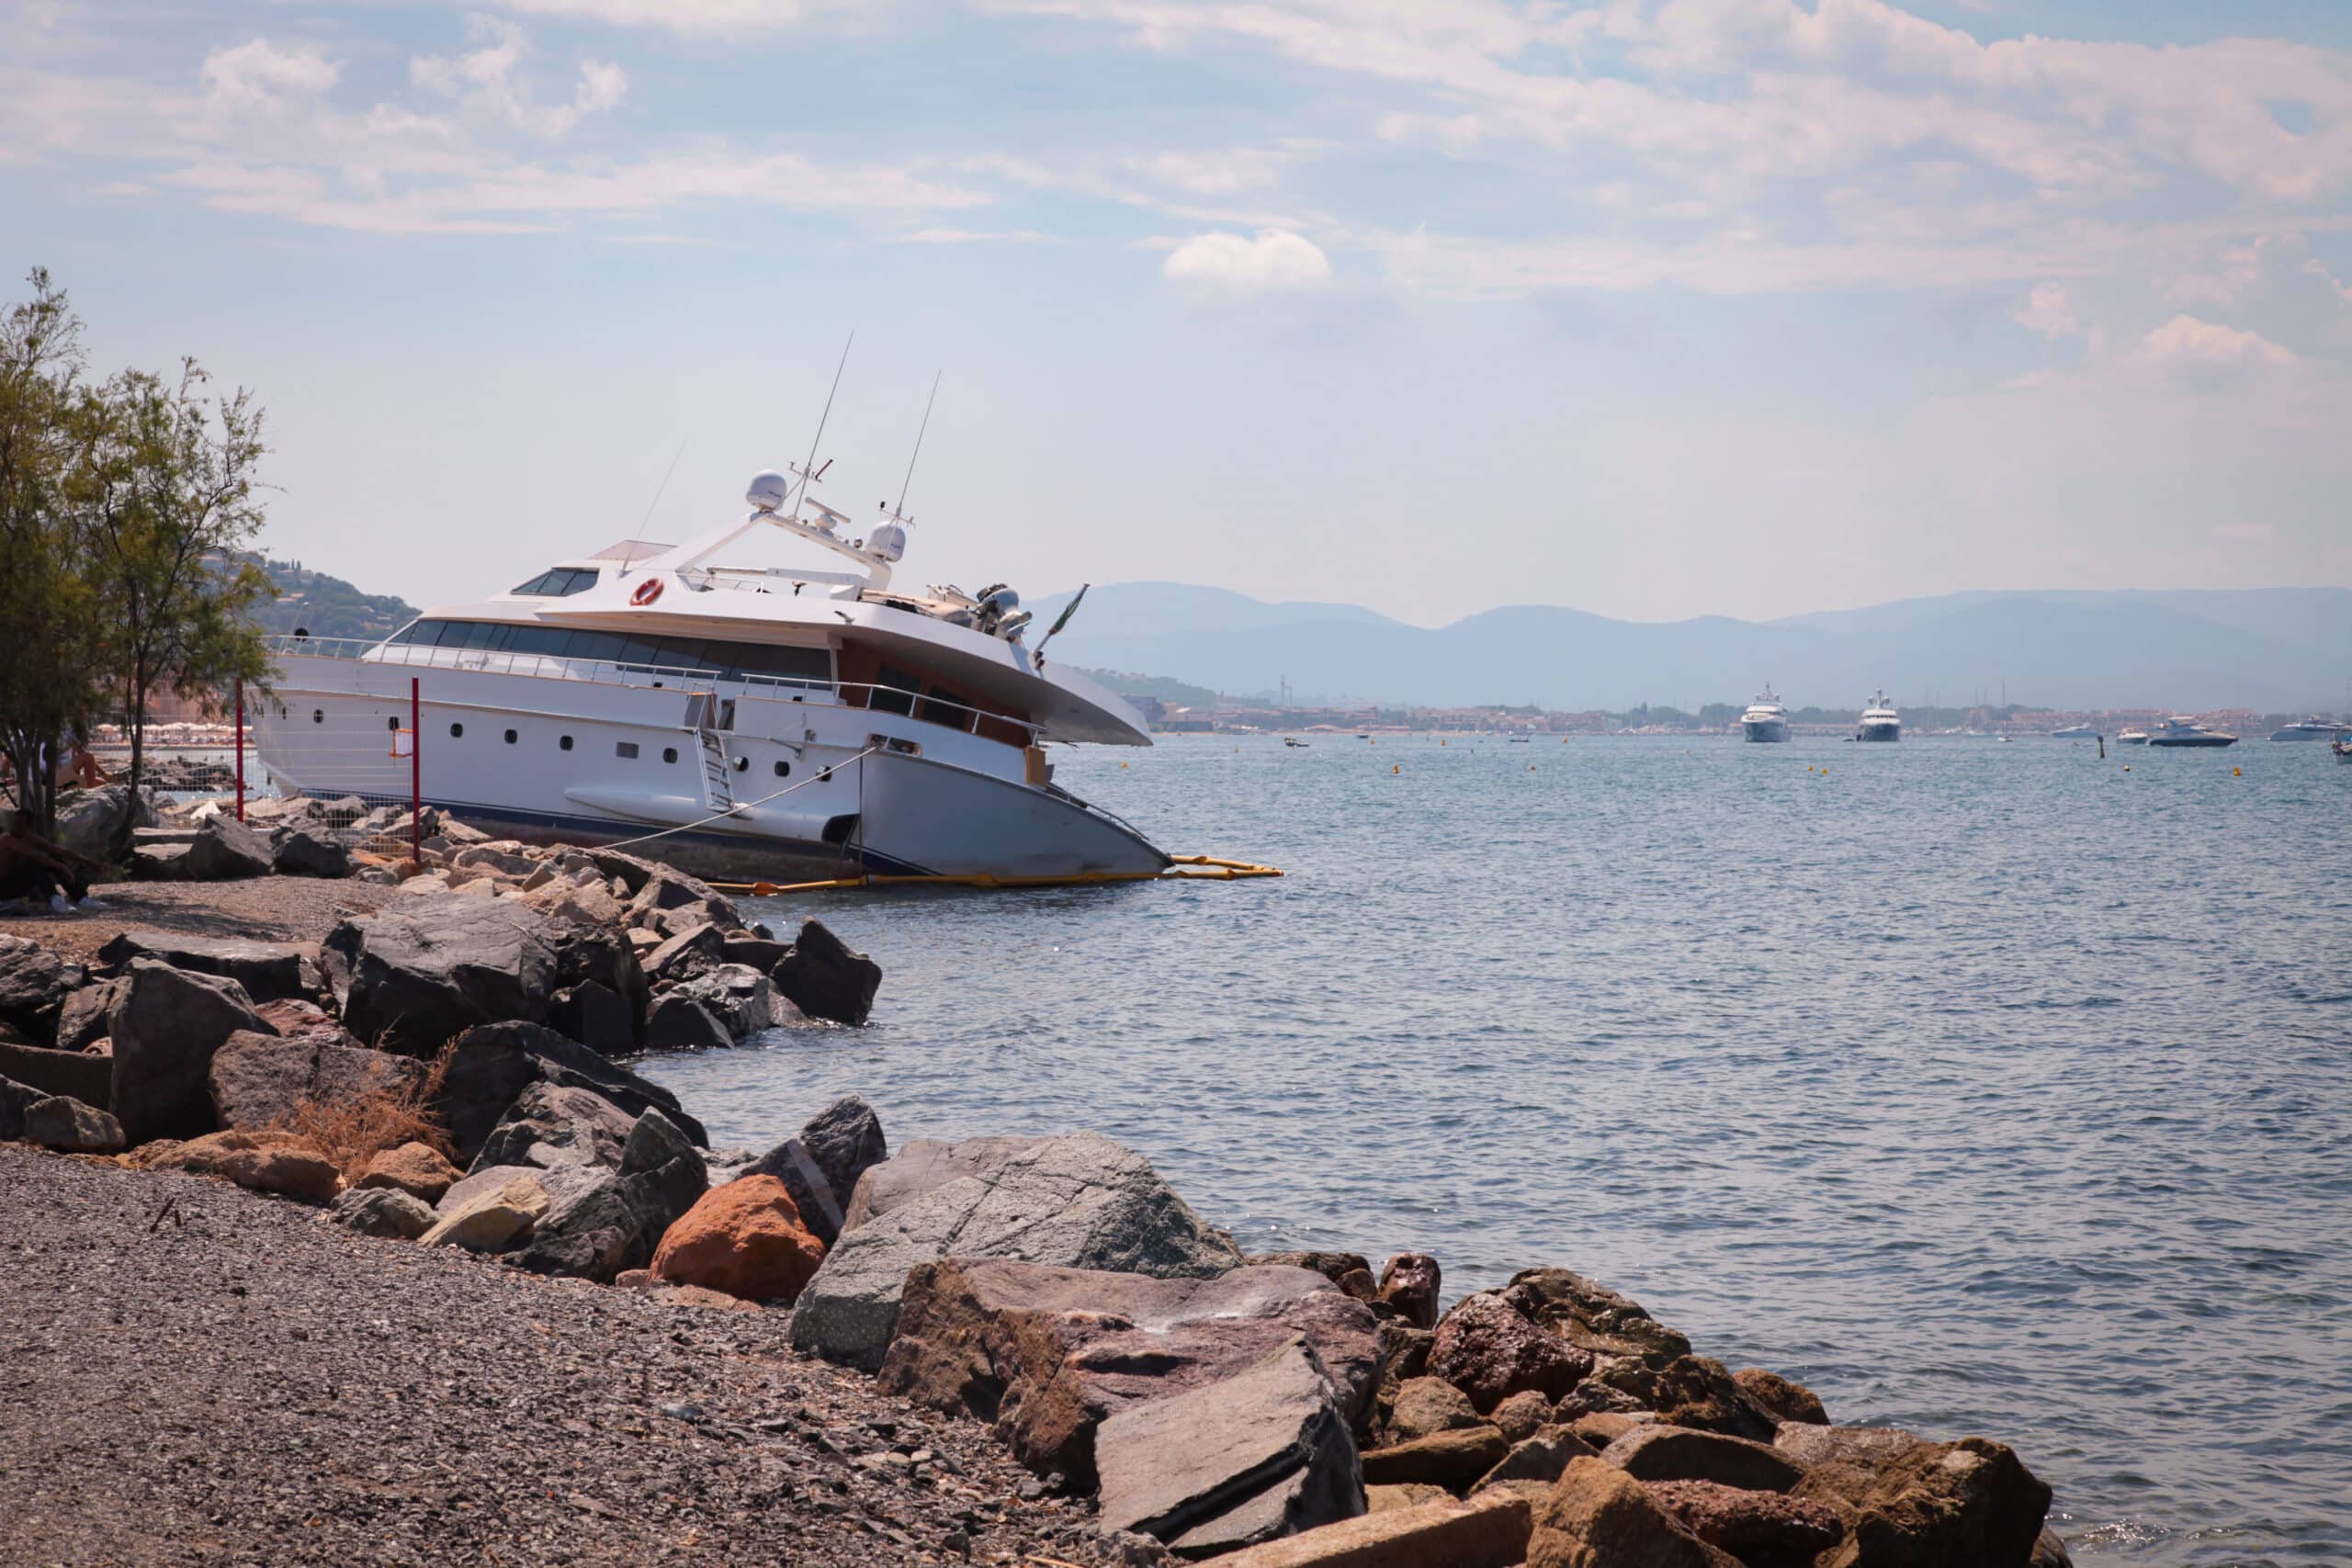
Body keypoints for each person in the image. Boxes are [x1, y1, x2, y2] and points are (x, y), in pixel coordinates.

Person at [0, 810, 105, 908]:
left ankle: (81, 898)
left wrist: (90, 863)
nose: (15, 827)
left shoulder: (30, 838)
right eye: (14, 823)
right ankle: (55, 899)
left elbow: (60, 851)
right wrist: (63, 867)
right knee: (34, 862)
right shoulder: (7, 839)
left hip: (17, 885)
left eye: (19, 824)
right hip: (4, 886)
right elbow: (36, 855)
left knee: (54, 856)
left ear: (29, 826)